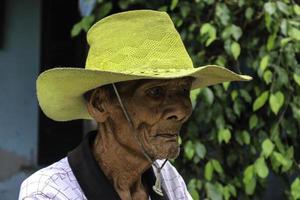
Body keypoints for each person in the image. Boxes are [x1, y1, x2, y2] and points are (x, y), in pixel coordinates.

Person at [18, 9, 251, 200]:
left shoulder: (165, 178)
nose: (181, 110)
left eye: (183, 90)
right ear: (100, 105)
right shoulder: (48, 193)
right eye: (155, 92)